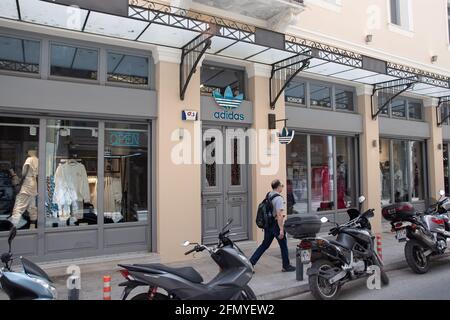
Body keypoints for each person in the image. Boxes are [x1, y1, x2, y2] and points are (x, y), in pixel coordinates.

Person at [249, 179, 295, 272]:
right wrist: (281, 229)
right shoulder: (279, 199)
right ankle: (286, 266)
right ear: (278, 187)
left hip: (268, 224)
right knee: (283, 245)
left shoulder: (269, 194)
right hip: (275, 224)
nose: (282, 187)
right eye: (282, 185)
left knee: (264, 245)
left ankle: (250, 263)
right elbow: (279, 215)